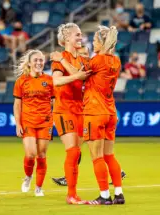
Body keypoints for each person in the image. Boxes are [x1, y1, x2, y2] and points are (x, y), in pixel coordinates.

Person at [51, 46, 127, 187]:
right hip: (86, 111)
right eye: (82, 54)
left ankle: (111, 179)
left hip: (92, 113)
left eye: (86, 53)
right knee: (83, 149)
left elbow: (100, 90)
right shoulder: (88, 70)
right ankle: (116, 174)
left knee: (91, 150)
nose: (85, 56)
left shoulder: (91, 69)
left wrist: (61, 60)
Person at [50, 23, 91, 204]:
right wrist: (76, 76)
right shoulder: (60, 58)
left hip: (80, 110)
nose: (80, 38)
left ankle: (73, 193)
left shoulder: (80, 60)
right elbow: (57, 82)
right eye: (77, 35)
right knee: (73, 151)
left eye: (81, 35)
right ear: (67, 38)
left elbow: (83, 76)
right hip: (64, 109)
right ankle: (71, 195)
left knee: (77, 153)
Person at [83, 25, 124, 205]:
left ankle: (105, 196)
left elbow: (80, 74)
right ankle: (119, 194)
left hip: (95, 111)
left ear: (101, 42)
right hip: (110, 111)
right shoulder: (116, 61)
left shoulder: (97, 60)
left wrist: (62, 58)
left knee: (97, 157)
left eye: (94, 41)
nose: (92, 43)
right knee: (109, 155)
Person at [13, 49, 53, 197]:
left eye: (41, 60)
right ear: (29, 63)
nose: (38, 62)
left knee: (41, 154)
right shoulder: (21, 81)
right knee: (30, 154)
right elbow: (17, 105)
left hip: (45, 122)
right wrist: (18, 124)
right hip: (28, 121)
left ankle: (38, 188)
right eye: (35, 60)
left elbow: (56, 102)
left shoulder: (49, 80)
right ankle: (28, 177)